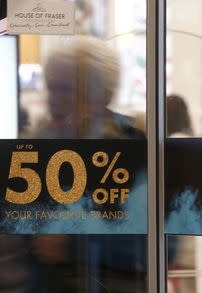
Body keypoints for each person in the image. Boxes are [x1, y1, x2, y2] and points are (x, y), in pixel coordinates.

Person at [31, 36, 146, 292]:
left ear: (101, 94)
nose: (53, 98)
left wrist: (71, 245)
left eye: (64, 89)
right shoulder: (38, 145)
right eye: (51, 88)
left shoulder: (134, 147)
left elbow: (161, 243)